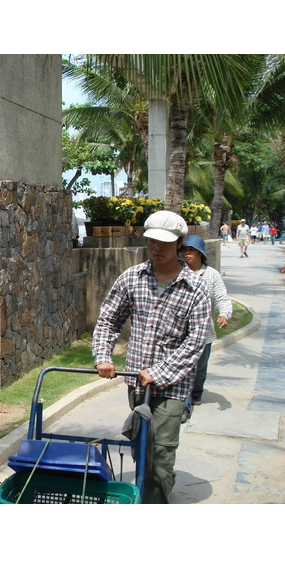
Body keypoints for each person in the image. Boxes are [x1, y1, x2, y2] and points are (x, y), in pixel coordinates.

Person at [92, 210, 211, 504]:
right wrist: (103, 357)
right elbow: (109, 320)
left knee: (161, 452)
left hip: (173, 388)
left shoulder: (195, 288)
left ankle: (153, 503)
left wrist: (159, 373)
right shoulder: (131, 278)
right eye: (152, 241)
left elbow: (196, 342)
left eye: (165, 243)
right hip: (136, 383)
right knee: (141, 446)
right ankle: (148, 492)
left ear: (180, 244)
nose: (157, 248)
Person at [180, 235, 232, 423]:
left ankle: (196, 393)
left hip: (204, 332)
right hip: (180, 333)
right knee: (187, 370)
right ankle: (184, 406)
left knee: (200, 369)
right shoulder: (178, 272)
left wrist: (224, 314)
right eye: (185, 250)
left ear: (200, 253)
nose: (187, 253)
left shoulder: (211, 275)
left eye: (191, 250)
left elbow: (222, 297)